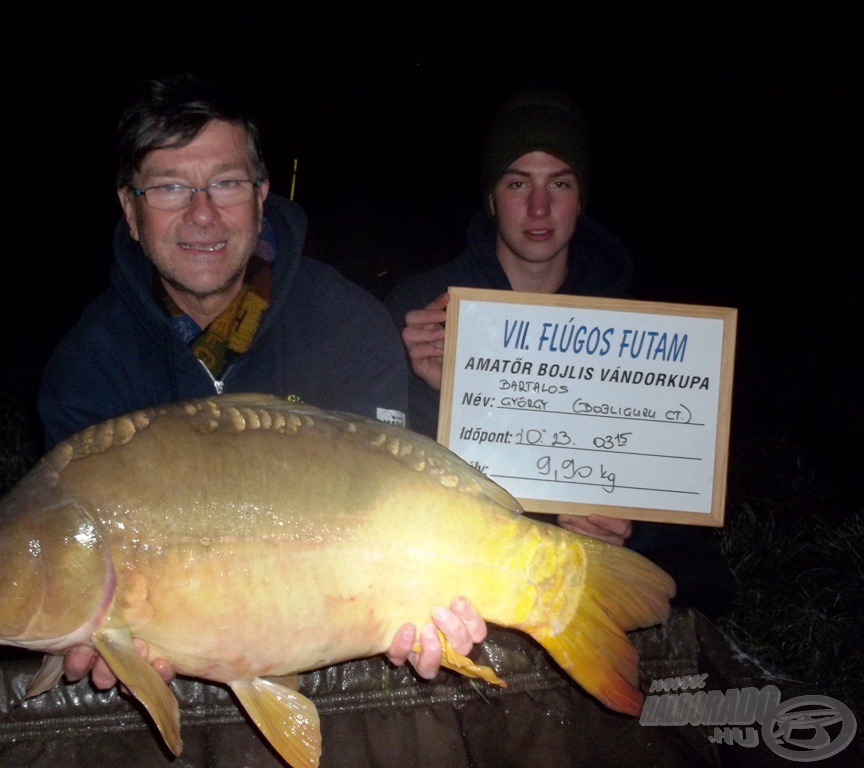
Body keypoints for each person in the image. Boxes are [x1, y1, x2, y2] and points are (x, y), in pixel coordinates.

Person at [36, 73, 483, 690]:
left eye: (225, 183)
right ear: (130, 209)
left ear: (262, 195)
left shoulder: (349, 324)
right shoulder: (89, 369)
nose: (201, 214)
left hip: (347, 658)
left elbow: (395, 514)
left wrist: (429, 609)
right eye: (169, 187)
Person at [384, 86, 735, 618]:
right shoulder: (418, 310)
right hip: (457, 580)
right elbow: (381, 491)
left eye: (561, 183)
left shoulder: (636, 332)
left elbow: (677, 494)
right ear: (490, 196)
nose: (540, 207)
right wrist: (426, 387)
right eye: (518, 182)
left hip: (583, 583)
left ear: (582, 196)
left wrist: (628, 525)